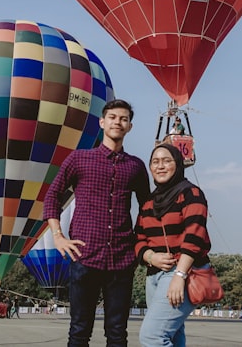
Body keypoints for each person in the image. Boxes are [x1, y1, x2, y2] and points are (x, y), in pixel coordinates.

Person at [43, 99, 151, 347]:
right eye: (113, 117)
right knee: (79, 331)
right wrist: (57, 235)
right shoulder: (79, 159)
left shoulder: (135, 166)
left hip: (122, 260)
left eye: (123, 119)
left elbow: (147, 208)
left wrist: (138, 243)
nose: (118, 122)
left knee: (117, 333)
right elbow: (53, 195)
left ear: (130, 127)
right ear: (102, 122)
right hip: (85, 256)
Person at [134, 144, 211, 347]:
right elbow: (138, 238)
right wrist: (150, 256)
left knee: (152, 337)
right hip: (153, 277)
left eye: (167, 161)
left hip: (182, 272)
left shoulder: (191, 194)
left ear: (177, 164)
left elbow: (195, 236)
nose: (160, 166)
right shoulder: (148, 203)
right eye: (155, 162)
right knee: (173, 335)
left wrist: (179, 275)